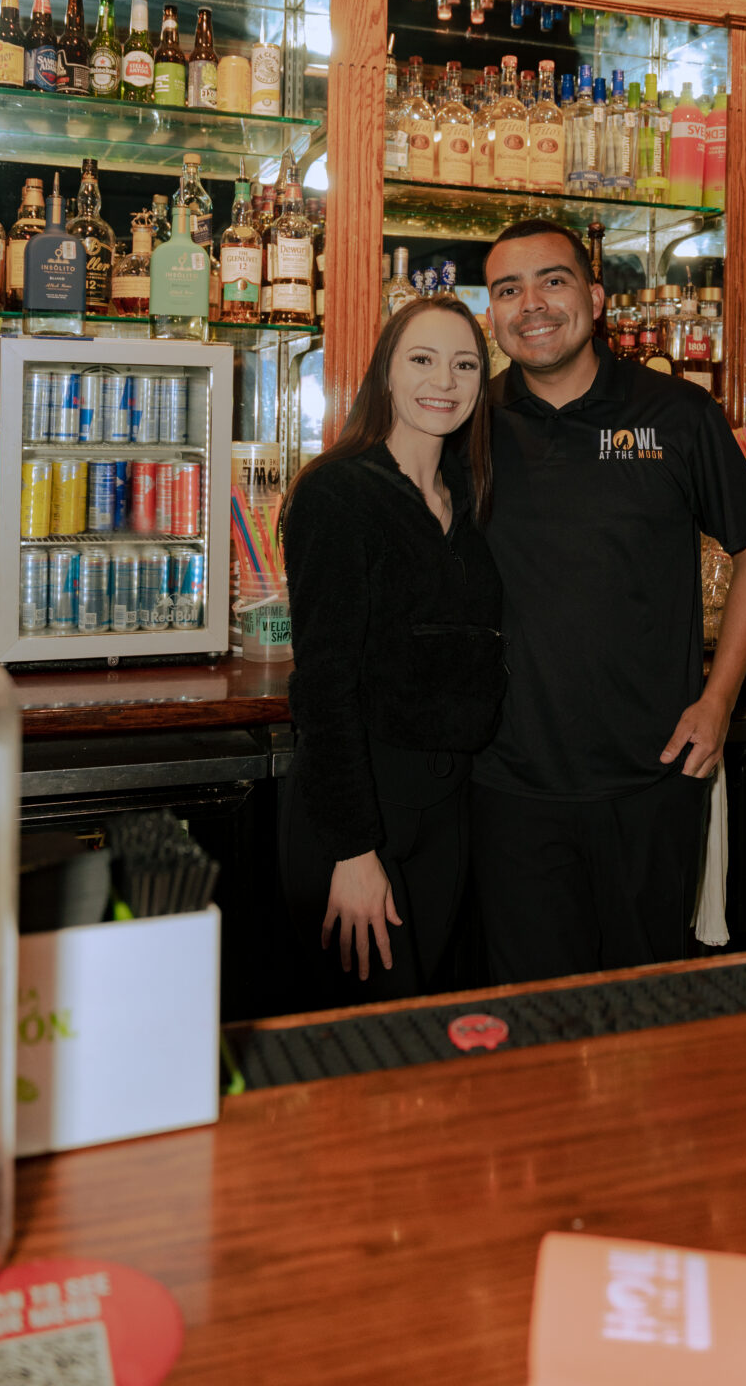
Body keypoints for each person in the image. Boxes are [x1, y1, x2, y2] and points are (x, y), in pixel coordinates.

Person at [472, 218, 746, 984]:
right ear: (492, 314)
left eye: (553, 281)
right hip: (509, 784)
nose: (531, 304)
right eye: (508, 289)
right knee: (536, 1017)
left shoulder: (675, 416)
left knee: (647, 1015)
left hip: (652, 777)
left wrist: (718, 703)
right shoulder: (472, 423)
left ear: (597, 298)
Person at [278, 295, 504, 1001]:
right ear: (385, 375)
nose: (445, 381)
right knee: (363, 1045)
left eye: (465, 364)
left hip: (447, 809)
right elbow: (322, 685)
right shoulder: (339, 493)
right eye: (422, 360)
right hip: (358, 810)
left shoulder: (469, 501)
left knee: (425, 1029)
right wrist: (352, 849)